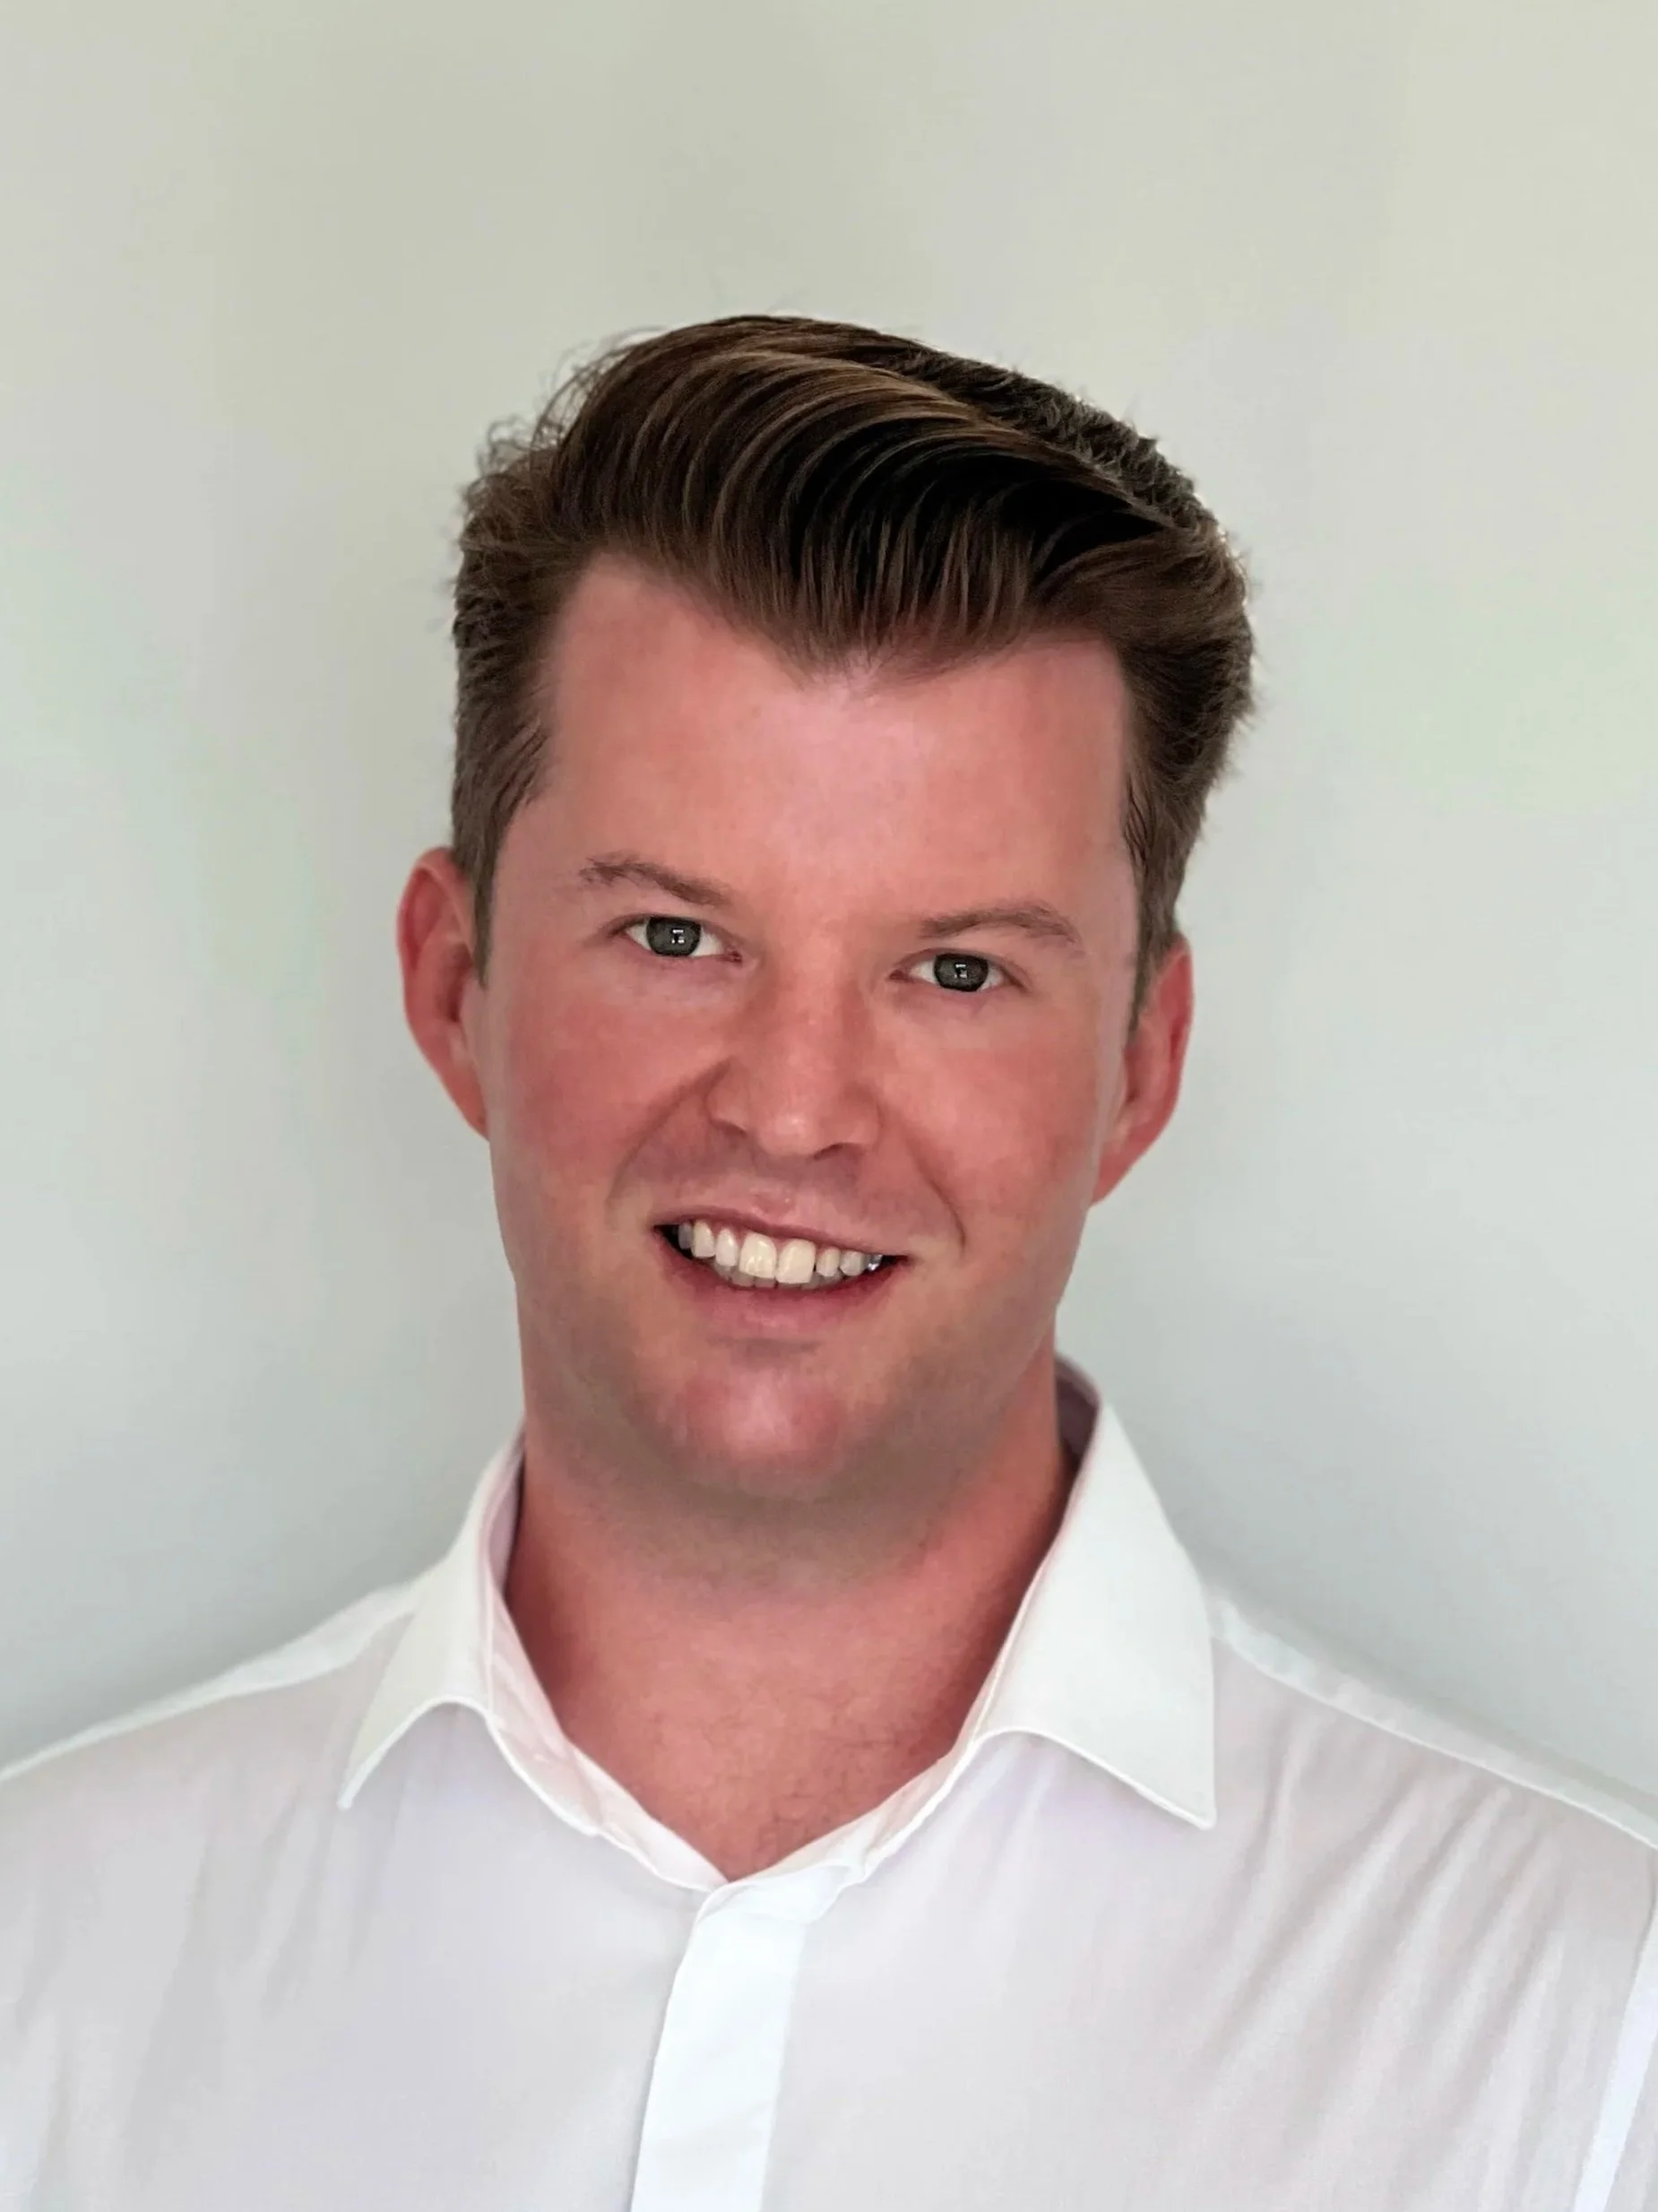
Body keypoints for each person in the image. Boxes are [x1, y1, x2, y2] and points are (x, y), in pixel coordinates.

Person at [3, 315, 1655, 2212]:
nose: (792, 1112)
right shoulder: (46, 1966)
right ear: (456, 986)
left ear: (1140, 1065)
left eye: (954, 970)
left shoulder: (1587, 2039)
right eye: (675, 937)